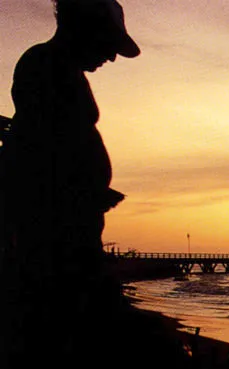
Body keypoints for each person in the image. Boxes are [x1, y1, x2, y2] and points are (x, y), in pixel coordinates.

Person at [1, 0, 139, 303]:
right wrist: (83, 191)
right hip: (58, 240)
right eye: (109, 43)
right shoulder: (44, 65)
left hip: (72, 231)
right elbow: (37, 151)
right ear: (85, 26)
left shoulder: (61, 69)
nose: (112, 57)